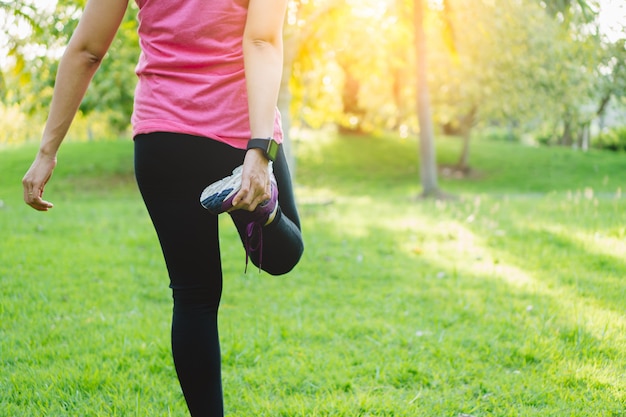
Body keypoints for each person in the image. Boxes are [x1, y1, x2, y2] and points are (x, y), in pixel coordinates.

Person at [21, 0, 304, 415]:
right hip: (236, 134)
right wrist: (259, 150)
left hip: (163, 139)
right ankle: (264, 209)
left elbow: (87, 49)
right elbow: (261, 39)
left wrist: (47, 152)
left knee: (193, 296)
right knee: (284, 255)